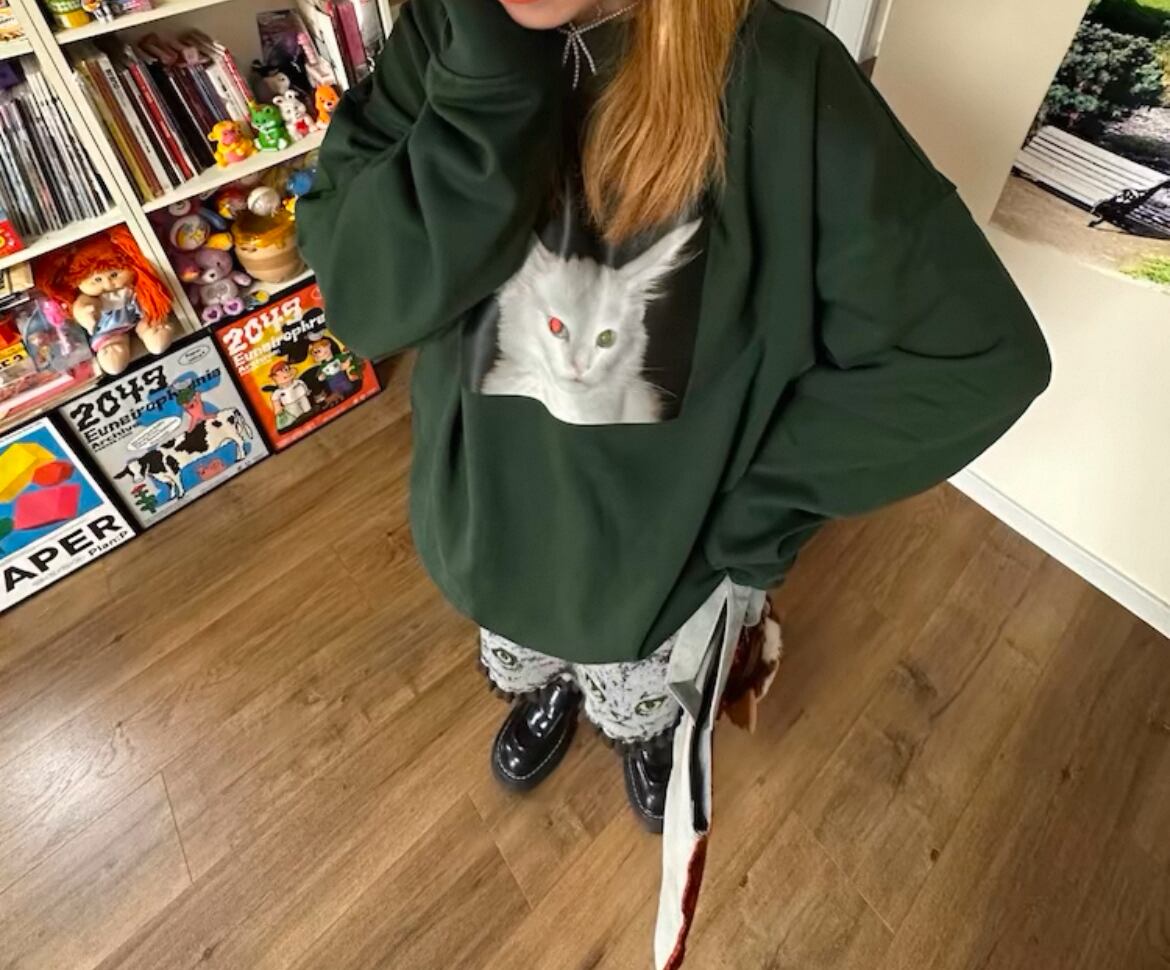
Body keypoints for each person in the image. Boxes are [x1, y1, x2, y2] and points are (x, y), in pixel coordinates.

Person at [297, 0, 1051, 964]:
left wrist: (750, 517)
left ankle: (643, 730)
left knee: (646, 687)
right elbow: (363, 301)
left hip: (664, 573)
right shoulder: (444, 29)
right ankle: (551, 692)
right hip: (492, 531)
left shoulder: (783, 79)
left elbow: (974, 357)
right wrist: (486, 81)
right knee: (528, 650)